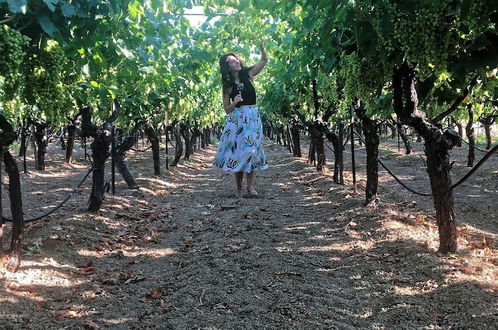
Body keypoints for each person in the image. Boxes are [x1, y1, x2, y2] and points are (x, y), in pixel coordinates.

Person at [212, 42, 269, 197]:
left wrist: (262, 48)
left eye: (236, 59)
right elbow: (226, 109)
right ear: (227, 67)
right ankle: (238, 189)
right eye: (232, 61)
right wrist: (235, 101)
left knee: (251, 152)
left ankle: (250, 187)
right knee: (239, 153)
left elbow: (264, 61)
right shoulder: (228, 86)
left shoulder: (248, 74)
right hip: (238, 120)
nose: (236, 61)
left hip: (252, 117)